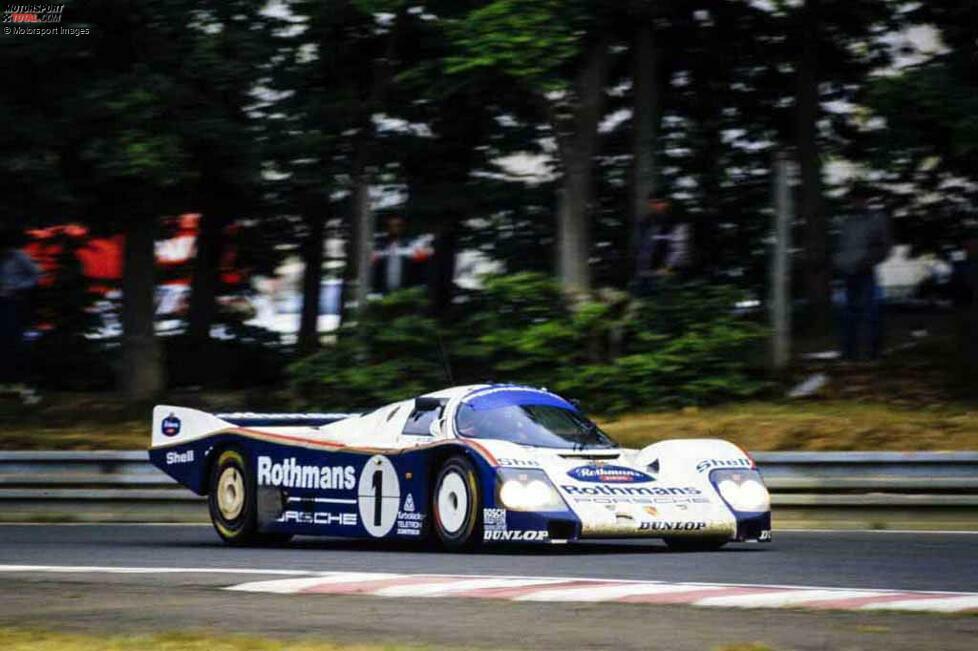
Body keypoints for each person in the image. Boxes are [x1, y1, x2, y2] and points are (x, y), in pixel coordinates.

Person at [833, 186, 893, 360]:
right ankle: (848, 353)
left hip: (865, 270)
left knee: (871, 312)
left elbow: (884, 246)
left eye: (859, 199)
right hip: (846, 271)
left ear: (866, 200)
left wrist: (868, 261)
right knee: (847, 314)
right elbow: (840, 246)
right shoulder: (845, 221)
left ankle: (875, 352)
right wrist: (838, 262)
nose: (856, 202)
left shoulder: (876, 219)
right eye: (853, 199)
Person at [0, 227, 41, 404]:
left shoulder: (18, 256)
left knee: (12, 339)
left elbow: (36, 274)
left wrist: (18, 287)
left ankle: (17, 381)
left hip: (12, 300)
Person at [632, 194, 691, 296]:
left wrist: (667, 267)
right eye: (653, 203)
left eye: (659, 202)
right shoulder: (645, 222)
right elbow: (641, 246)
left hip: (670, 269)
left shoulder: (676, 221)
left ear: (666, 203)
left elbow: (679, 247)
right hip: (648, 271)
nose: (656, 205)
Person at [371, 214, 429, 294]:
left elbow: (420, 269)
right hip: (382, 291)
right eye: (390, 226)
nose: (394, 229)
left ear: (403, 227)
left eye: (398, 226)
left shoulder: (413, 245)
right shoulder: (379, 246)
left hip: (407, 291)